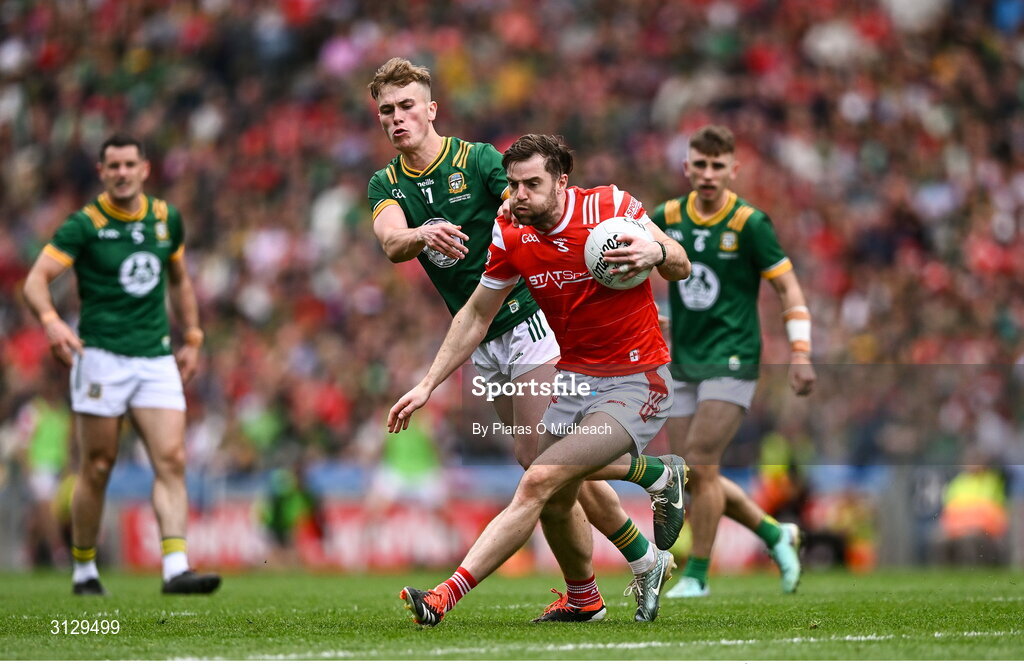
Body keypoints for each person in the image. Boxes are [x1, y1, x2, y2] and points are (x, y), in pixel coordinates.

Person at [368, 60, 686, 621]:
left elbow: (532, 210)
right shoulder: (386, 184)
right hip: (482, 331)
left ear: (431, 108)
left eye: (407, 105)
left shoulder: (480, 161)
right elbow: (394, 244)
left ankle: (632, 515)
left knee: (545, 468)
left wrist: (648, 250)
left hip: (530, 323)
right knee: (536, 461)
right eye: (387, 110)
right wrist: (422, 235)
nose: (398, 118)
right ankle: (637, 548)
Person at [22, 134, 221, 596]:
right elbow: (36, 281)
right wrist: (51, 322)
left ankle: (175, 567)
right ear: (101, 172)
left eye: (130, 164)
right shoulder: (84, 225)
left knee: (171, 458)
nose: (122, 173)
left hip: (155, 356)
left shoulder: (165, 218)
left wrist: (192, 336)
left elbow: (180, 281)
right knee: (97, 465)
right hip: (101, 358)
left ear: (145, 169)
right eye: (113, 166)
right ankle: (85, 569)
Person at [649, 125, 816, 599]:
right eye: (699, 164)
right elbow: (635, 266)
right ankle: (774, 534)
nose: (707, 174)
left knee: (701, 462)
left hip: (733, 356)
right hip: (682, 357)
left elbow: (788, 288)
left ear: (733, 170)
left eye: (717, 165)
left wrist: (801, 351)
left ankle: (698, 575)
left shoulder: (750, 224)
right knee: (688, 472)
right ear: (686, 167)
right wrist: (649, 314)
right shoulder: (666, 216)